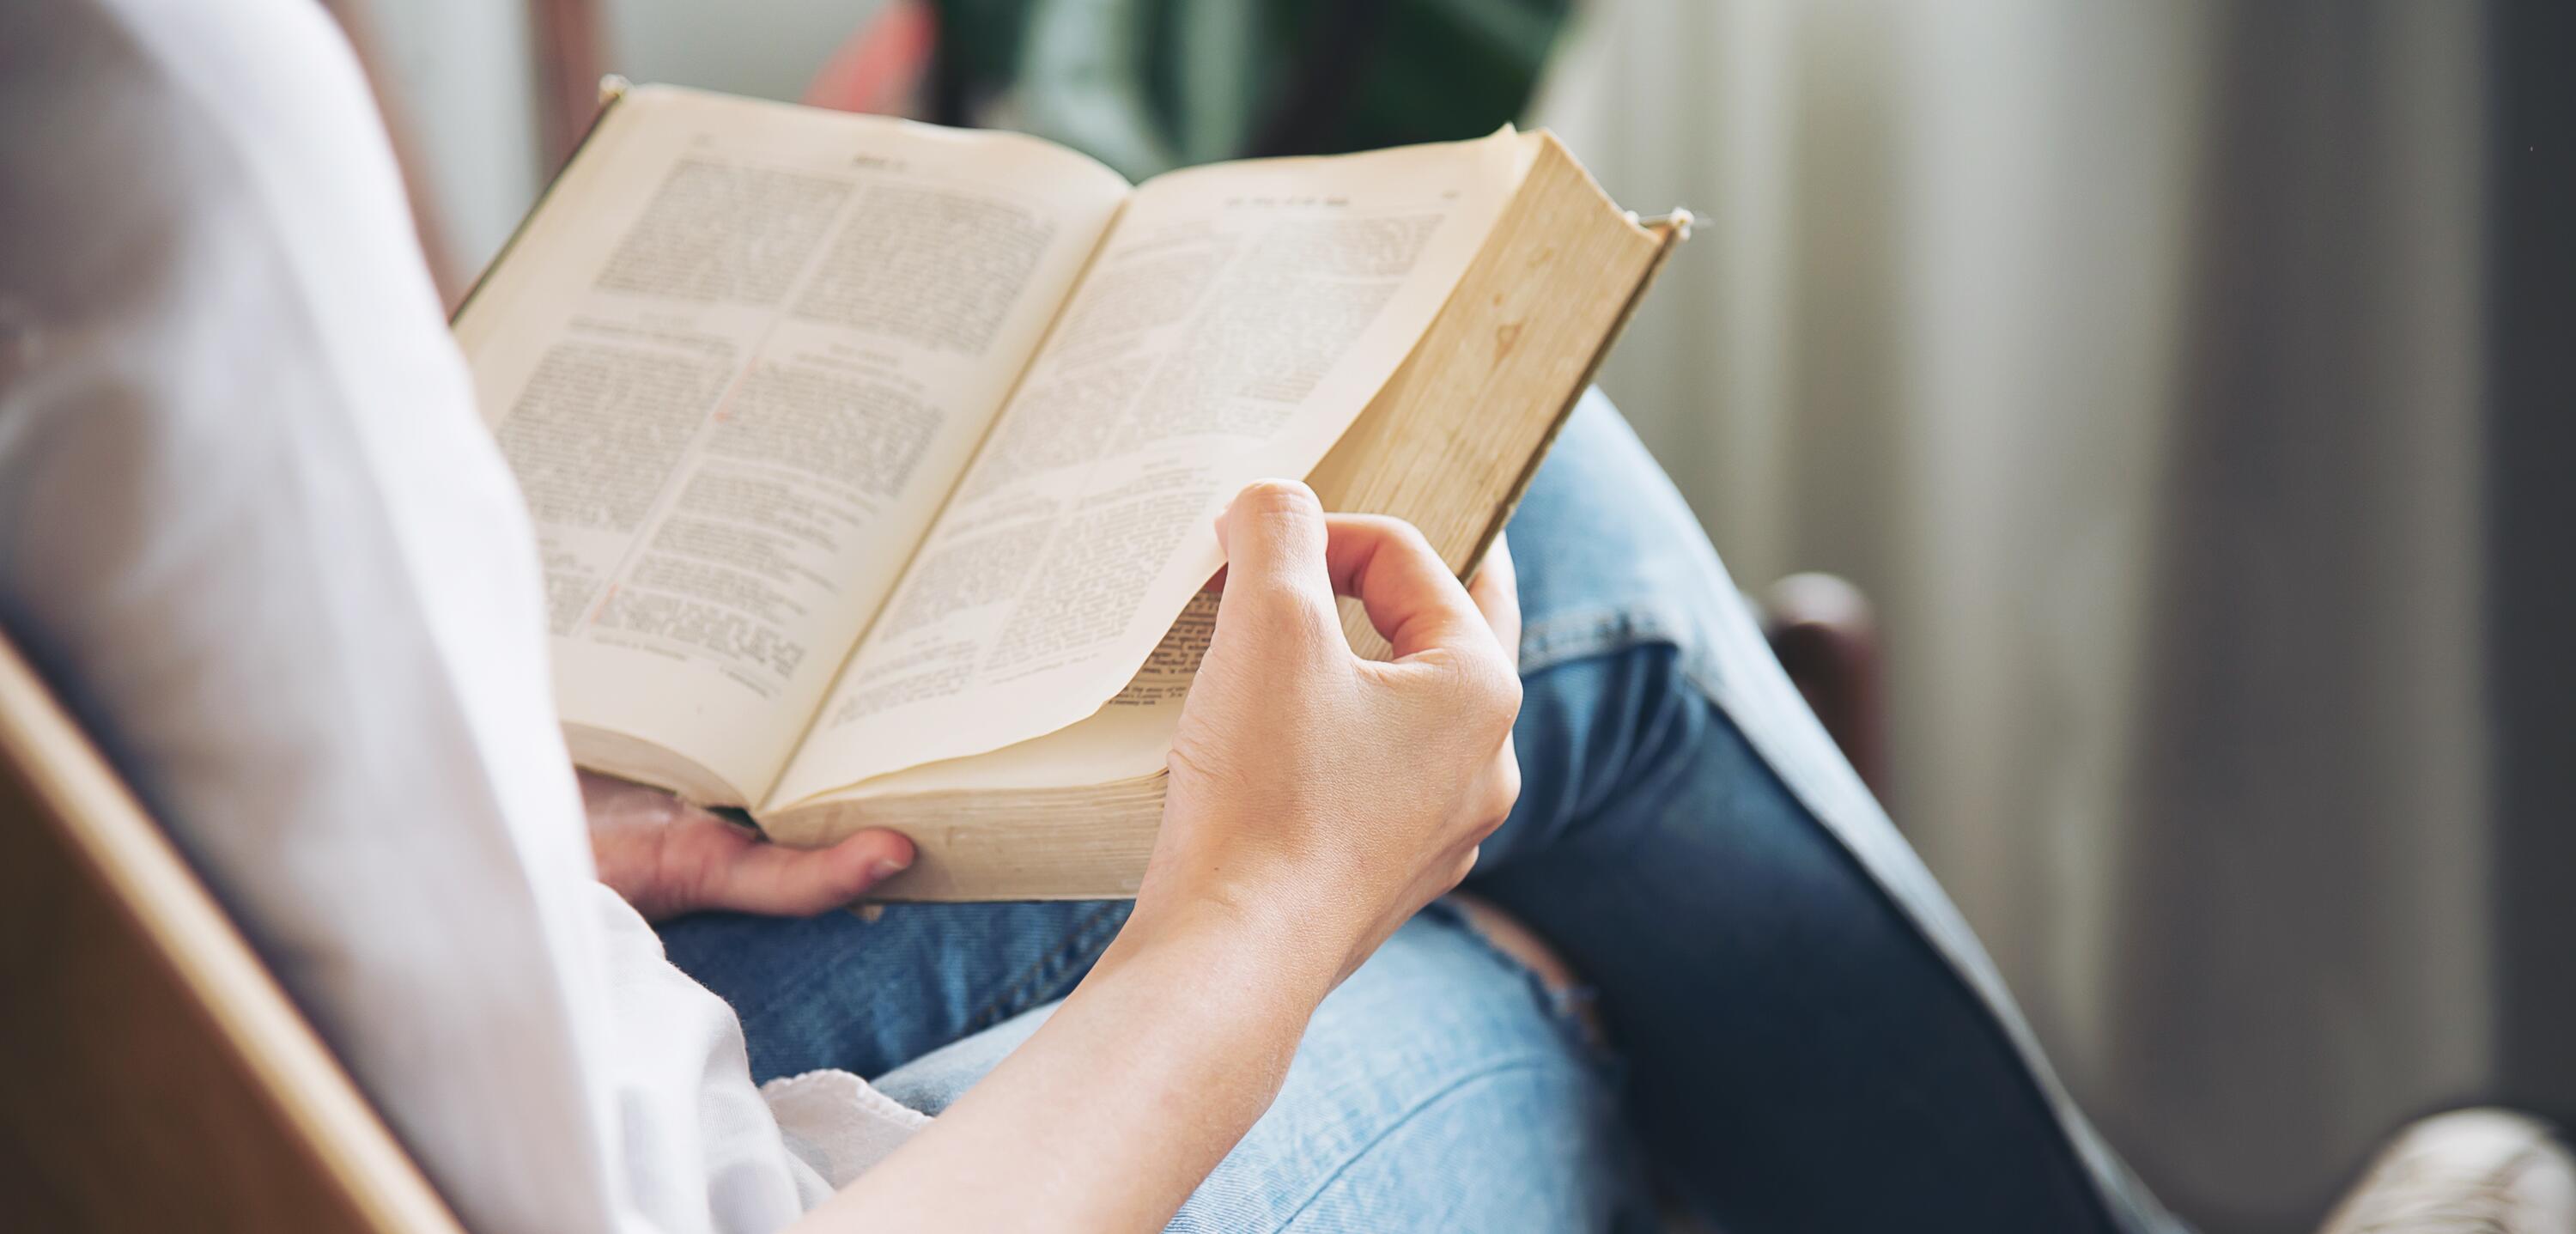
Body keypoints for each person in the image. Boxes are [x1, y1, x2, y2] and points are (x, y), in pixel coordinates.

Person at [0, 0, 2175, 1230]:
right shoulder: (133, 95)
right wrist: (1257, 926)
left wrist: (490, 807)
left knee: (1495, 538)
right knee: (1515, 911)